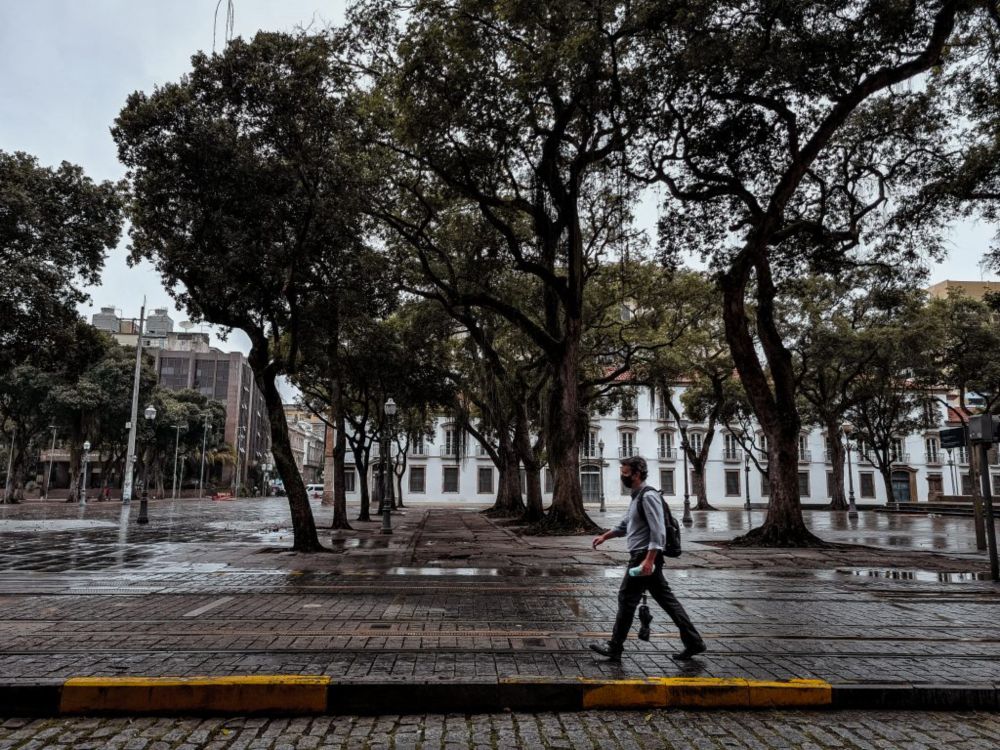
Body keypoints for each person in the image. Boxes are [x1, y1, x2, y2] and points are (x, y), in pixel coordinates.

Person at [590, 456, 706, 662]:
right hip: (643, 556)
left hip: (645, 556)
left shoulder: (648, 496)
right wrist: (605, 536)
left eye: (625, 473)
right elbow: (626, 525)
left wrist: (649, 559)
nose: (622, 476)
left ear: (636, 473)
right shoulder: (637, 496)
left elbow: (658, 530)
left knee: (627, 599)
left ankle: (615, 647)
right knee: (667, 601)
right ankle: (694, 642)